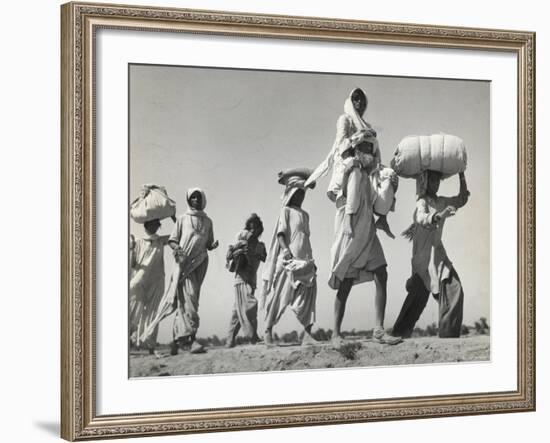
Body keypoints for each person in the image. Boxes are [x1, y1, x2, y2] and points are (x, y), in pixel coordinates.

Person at [306, 88, 401, 346]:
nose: (359, 102)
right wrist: (354, 153)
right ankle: (336, 334)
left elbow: (376, 165)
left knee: (381, 271)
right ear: (350, 100)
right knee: (346, 276)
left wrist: (385, 186)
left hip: (366, 216)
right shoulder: (345, 121)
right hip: (349, 209)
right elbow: (340, 148)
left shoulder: (368, 132)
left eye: (363, 98)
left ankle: (379, 329)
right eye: (355, 98)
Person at [392, 171, 469, 338]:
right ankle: (398, 335)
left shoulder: (442, 201)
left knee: (454, 288)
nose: (436, 183)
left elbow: (462, 199)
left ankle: (449, 335)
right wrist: (440, 215)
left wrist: (461, 175)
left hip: (438, 255)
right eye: (432, 180)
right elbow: (421, 218)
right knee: (417, 299)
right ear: (425, 182)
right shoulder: (422, 201)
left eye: (437, 180)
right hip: (423, 258)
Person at [150, 188, 219, 355]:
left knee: (190, 301)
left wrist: (213, 245)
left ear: (202, 199)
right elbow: (173, 241)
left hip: (200, 264)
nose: (195, 200)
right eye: (193, 197)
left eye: (198, 197)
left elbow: (208, 244)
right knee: (190, 300)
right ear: (189, 200)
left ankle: (176, 342)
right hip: (184, 264)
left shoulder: (208, 221)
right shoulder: (182, 219)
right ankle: (192, 340)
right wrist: (178, 249)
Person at [262, 170, 318, 347]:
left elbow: (304, 238)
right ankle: (267, 331)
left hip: (306, 260)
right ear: (291, 193)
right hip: (289, 261)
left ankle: (307, 335)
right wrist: (285, 250)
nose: (300, 196)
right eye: (298, 192)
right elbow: (281, 234)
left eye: (303, 193)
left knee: (308, 298)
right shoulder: (285, 211)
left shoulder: (305, 214)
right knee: (278, 297)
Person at [129, 219, 170, 357]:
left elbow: (178, 234)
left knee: (153, 313)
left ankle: (150, 346)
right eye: (152, 224)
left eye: (157, 224)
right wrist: (130, 249)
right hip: (139, 280)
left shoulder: (161, 240)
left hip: (156, 281)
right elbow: (133, 264)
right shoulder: (138, 242)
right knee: (133, 312)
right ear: (146, 225)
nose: (155, 226)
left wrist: (174, 217)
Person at [225, 214, 267, 348]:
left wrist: (257, 254)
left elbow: (266, 258)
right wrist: (238, 251)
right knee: (250, 305)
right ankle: (253, 336)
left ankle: (230, 340)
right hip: (241, 279)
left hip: (251, 280)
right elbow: (229, 254)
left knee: (237, 312)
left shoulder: (261, 245)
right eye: (251, 228)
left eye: (256, 228)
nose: (253, 231)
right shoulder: (241, 240)